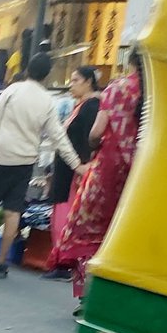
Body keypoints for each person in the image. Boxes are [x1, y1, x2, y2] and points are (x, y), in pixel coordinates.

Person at [0, 52, 86, 281]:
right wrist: (77, 165)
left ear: (27, 69)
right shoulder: (46, 101)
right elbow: (58, 137)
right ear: (46, 75)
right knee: (12, 212)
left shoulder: (12, 91)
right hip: (24, 164)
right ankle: (1, 265)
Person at [50, 56, 143, 311]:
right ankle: (117, 300)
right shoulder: (158, 93)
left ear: (131, 62)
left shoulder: (117, 88)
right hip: (140, 176)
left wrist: (94, 146)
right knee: (122, 234)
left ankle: (87, 298)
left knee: (87, 230)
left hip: (109, 171)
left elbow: (96, 132)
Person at [45, 66, 101, 281]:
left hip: (75, 171)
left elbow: (89, 140)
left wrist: (82, 166)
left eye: (76, 79)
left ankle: (65, 263)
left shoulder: (92, 107)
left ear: (88, 82)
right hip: (66, 169)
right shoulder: (81, 106)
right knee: (60, 212)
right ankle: (60, 261)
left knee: (66, 214)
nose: (71, 83)